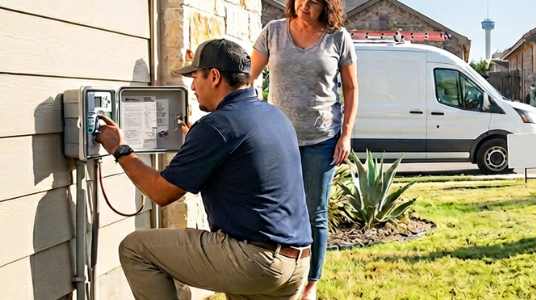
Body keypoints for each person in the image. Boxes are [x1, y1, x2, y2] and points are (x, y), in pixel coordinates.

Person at [97, 39, 312, 299]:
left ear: (214, 76)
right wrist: (197, 145)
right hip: (297, 262)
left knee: (135, 248)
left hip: (255, 261)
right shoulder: (273, 116)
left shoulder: (217, 126)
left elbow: (161, 193)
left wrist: (120, 150)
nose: (193, 86)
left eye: (194, 76)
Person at [249, 0, 359, 298]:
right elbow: (248, 77)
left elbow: (350, 88)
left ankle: (310, 283)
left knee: (314, 213)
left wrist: (345, 135)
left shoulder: (338, 37)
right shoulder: (273, 32)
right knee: (274, 209)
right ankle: (277, 274)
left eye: (313, 1)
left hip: (321, 140)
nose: (304, 6)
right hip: (277, 139)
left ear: (326, 5)